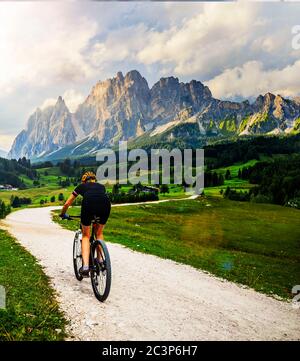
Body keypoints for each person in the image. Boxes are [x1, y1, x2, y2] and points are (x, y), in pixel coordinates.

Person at [60, 171, 111, 277]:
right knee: (99, 233)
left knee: (86, 235)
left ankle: (86, 267)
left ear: (84, 181)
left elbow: (67, 203)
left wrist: (63, 213)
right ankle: (100, 261)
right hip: (105, 205)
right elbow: (99, 198)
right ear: (94, 180)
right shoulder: (101, 187)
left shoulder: (81, 186)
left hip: (88, 204)